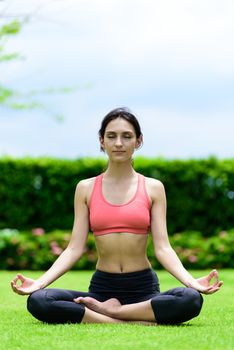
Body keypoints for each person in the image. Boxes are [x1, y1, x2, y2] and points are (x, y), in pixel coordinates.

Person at [11, 107, 223, 325]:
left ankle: (111, 313)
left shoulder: (153, 188)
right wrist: (39, 283)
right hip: (102, 289)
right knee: (40, 300)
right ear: (102, 141)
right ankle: (129, 318)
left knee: (190, 299)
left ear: (138, 141)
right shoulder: (85, 188)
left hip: (143, 289)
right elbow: (74, 248)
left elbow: (163, 248)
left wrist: (191, 282)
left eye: (127, 136)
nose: (119, 143)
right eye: (111, 136)